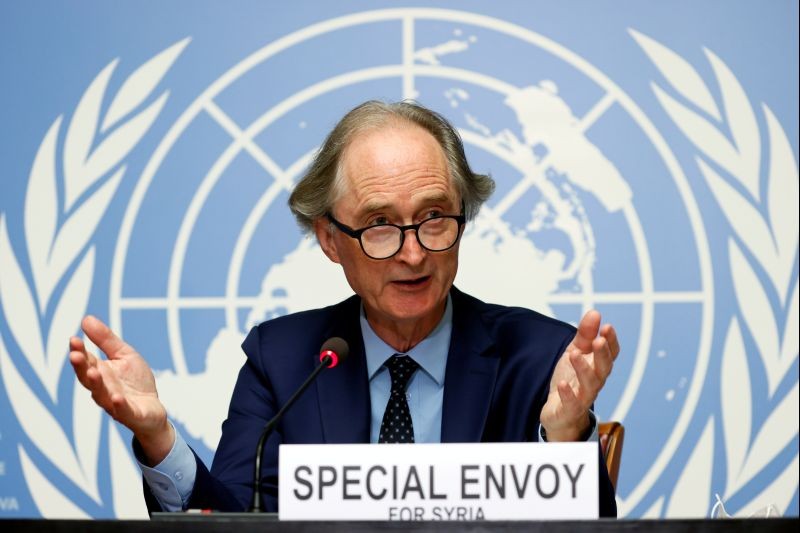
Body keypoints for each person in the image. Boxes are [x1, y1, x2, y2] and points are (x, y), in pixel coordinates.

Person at [69, 101, 620, 516]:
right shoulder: (283, 361)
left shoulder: (540, 356)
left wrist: (565, 440)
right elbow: (235, 525)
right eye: (380, 224)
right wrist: (159, 437)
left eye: (434, 217)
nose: (412, 252)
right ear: (331, 240)